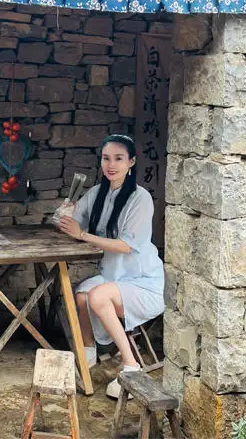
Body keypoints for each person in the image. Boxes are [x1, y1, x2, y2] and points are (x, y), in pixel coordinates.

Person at [58, 134, 165, 399]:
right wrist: (65, 214)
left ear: (131, 162)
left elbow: (127, 246)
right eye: (106, 158)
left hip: (142, 281)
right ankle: (88, 353)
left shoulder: (140, 198)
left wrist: (83, 235)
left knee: (97, 296)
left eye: (118, 158)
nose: (111, 165)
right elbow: (70, 223)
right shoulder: (98, 192)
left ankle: (131, 366)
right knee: (81, 295)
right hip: (113, 277)